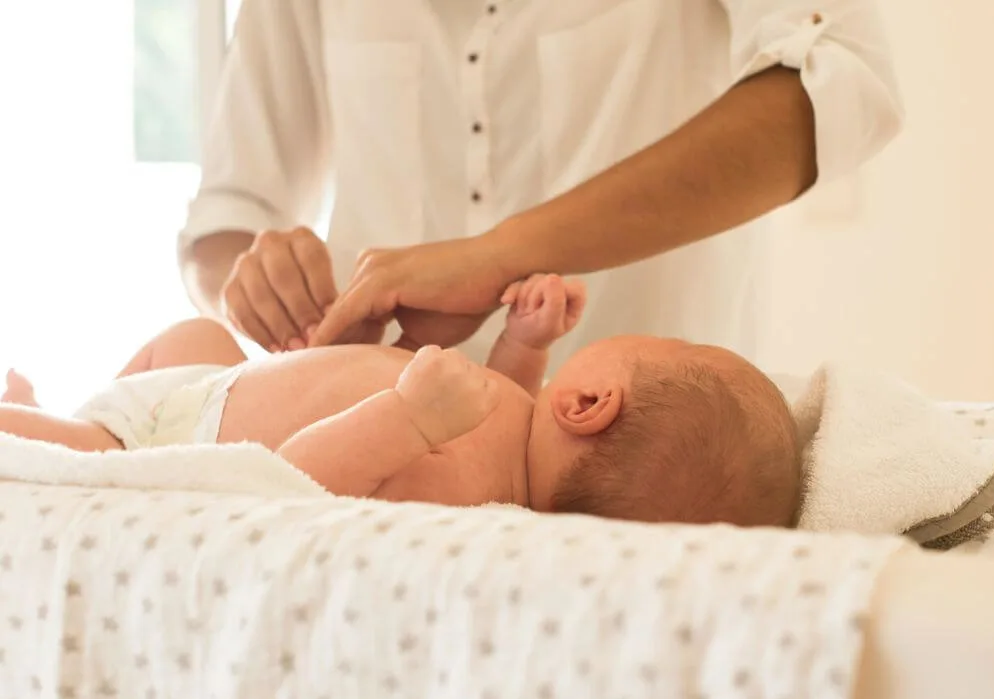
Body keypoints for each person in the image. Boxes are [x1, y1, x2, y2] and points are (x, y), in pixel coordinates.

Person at [178, 0, 903, 370]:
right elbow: (223, 223)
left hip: (657, 475)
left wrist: (502, 253)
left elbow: (839, 84)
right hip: (383, 499)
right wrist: (259, 287)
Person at [0, 276, 803, 527]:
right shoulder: (514, 429)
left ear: (589, 402)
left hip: (164, 448)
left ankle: (51, 417)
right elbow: (505, 398)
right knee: (194, 332)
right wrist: (522, 344)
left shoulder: (463, 490)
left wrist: (407, 418)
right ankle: (68, 404)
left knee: (72, 451)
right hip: (209, 384)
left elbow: (297, 487)